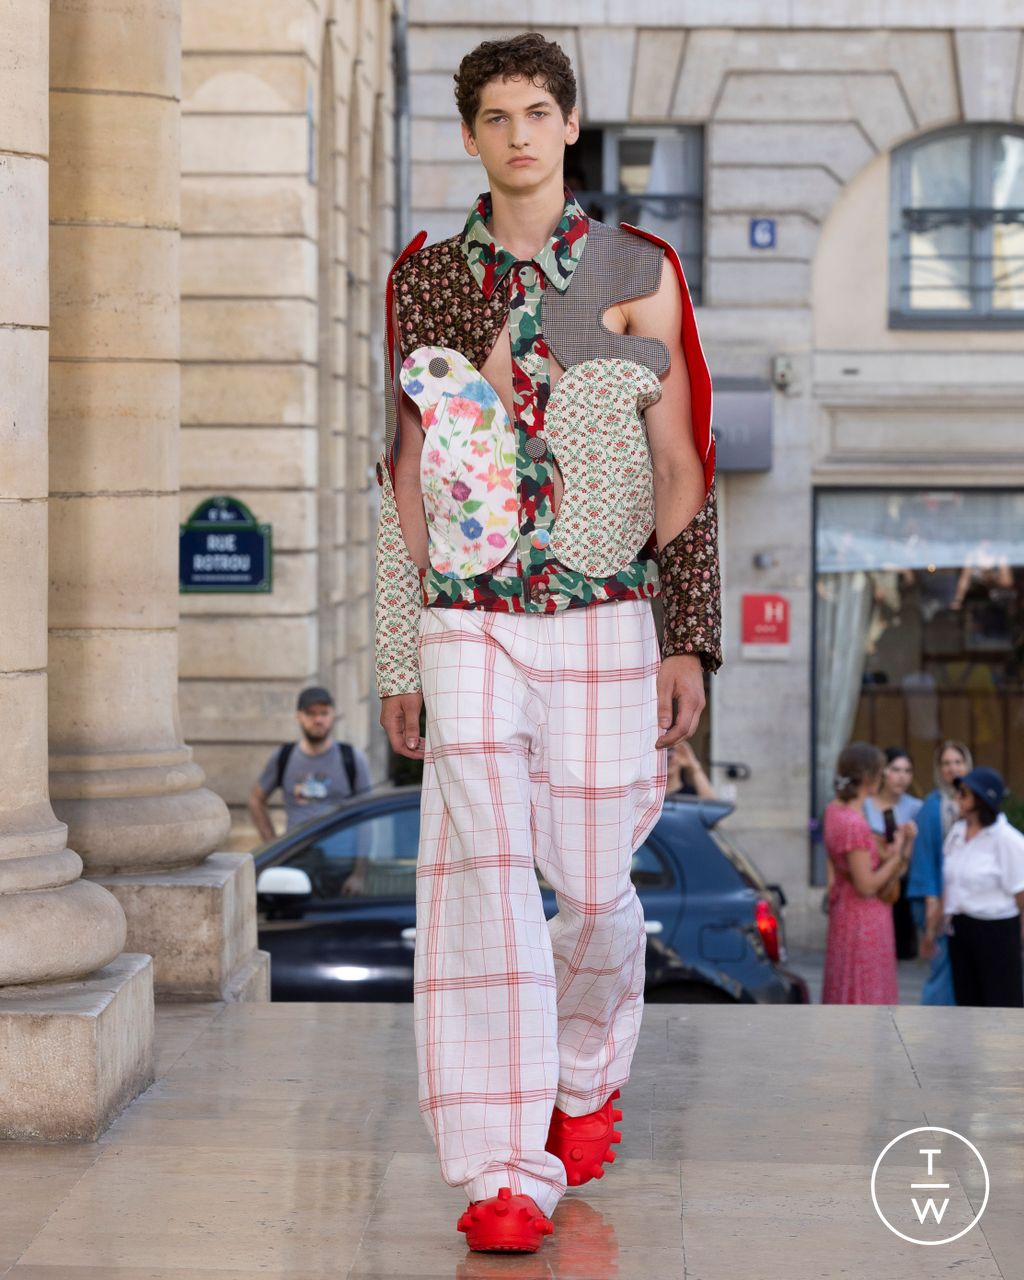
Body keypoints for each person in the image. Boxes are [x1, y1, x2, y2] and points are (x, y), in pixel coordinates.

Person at [373, 32, 720, 1253]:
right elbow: (406, 470)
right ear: (469, 137)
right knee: (479, 887)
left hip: (603, 613)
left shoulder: (637, 266)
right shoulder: (422, 277)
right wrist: (401, 647)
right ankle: (501, 1163)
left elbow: (681, 464)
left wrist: (690, 640)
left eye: (537, 111)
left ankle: (583, 1070)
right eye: (495, 117)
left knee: (594, 886)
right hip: (469, 614)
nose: (517, 133)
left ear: (569, 125)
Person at [821, 743, 914, 1005]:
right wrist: (897, 855)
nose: (884, 777)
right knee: (864, 994)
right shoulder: (853, 821)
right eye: (881, 772)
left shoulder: (834, 810)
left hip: (846, 913)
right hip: (863, 920)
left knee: (846, 989)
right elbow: (867, 885)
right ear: (868, 777)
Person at [938, 767, 1024, 1008]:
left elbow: (1021, 894)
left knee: (1001, 1002)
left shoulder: (1008, 840)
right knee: (967, 1003)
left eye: (964, 793)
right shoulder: (957, 832)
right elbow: (950, 880)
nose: (958, 797)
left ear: (982, 798)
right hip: (961, 927)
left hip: (996, 931)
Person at [248, 686, 372, 840]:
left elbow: (368, 813)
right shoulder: (283, 757)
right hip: (296, 854)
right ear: (298, 716)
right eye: (311, 713)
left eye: (324, 713)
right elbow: (256, 799)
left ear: (333, 715)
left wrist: (361, 859)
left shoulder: (352, 758)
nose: (318, 720)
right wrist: (270, 842)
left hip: (341, 858)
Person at [907, 739, 973, 1005]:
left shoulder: (977, 804)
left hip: (973, 903)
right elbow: (924, 861)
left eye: (957, 762)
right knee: (943, 978)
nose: (952, 769)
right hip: (941, 905)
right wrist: (932, 911)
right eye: (946, 763)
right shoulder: (932, 807)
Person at [864, 746, 922, 960]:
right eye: (896, 770)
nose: (902, 777)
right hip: (869, 883)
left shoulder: (917, 808)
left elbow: (916, 857)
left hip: (901, 887)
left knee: (900, 954)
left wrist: (908, 841)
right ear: (883, 772)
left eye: (907, 771)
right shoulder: (865, 806)